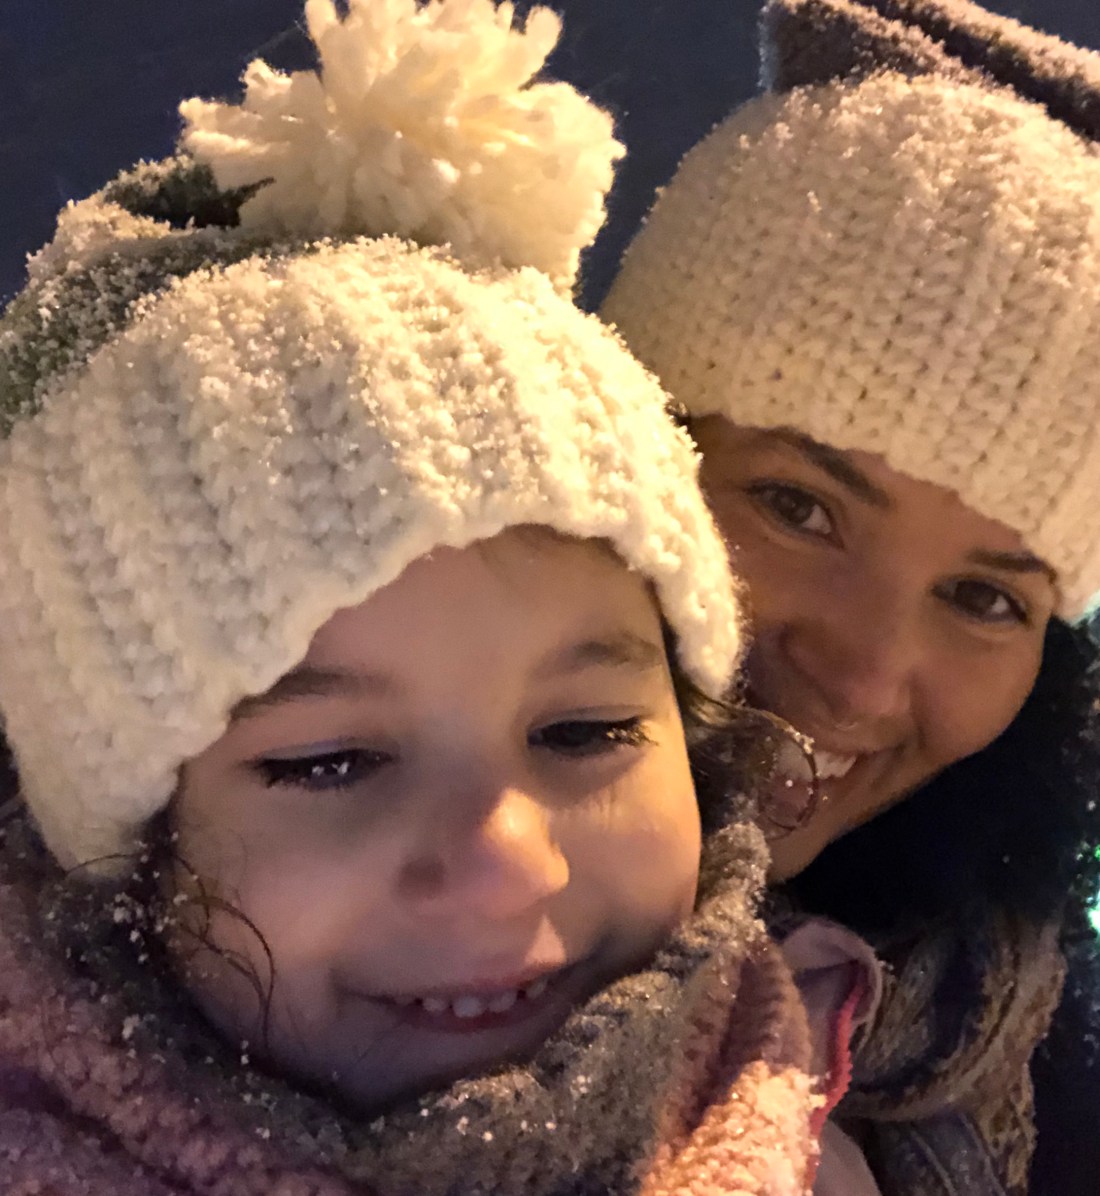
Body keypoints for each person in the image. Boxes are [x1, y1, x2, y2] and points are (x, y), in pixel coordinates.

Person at [0, 1, 878, 1192]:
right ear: (116, 851)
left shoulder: (812, 1119)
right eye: (329, 760)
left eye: (584, 730)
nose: (508, 862)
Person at [601, 1, 1100, 1193]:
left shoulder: (1023, 1030)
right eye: (797, 506)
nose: (865, 677)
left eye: (982, 596)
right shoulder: (353, 953)